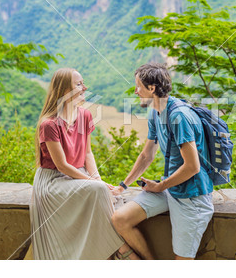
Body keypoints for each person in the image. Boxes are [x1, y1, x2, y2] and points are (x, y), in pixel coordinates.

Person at [30, 67, 138, 260]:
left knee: (106, 193)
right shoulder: (50, 124)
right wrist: (93, 182)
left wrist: (97, 178)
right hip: (54, 180)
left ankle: (111, 249)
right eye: (79, 84)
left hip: (77, 175)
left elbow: (88, 152)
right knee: (98, 190)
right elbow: (61, 165)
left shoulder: (85, 116)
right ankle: (121, 249)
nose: (85, 87)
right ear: (64, 90)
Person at [111, 62, 214, 260]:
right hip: (170, 189)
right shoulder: (156, 112)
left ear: (151, 88)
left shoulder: (179, 117)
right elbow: (146, 155)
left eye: (138, 86)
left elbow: (193, 166)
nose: (135, 91)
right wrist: (124, 185)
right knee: (120, 219)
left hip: (191, 197)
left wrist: (160, 187)